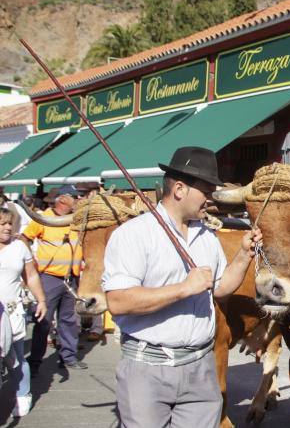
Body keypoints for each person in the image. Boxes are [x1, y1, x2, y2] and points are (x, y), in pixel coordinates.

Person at [102, 147, 261, 428]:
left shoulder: (207, 237)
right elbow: (119, 301)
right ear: (179, 189)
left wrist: (243, 256)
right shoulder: (133, 235)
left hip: (200, 368)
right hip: (148, 370)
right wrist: (183, 289)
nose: (211, 198)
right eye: (206, 190)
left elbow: (221, 288)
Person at [21, 184, 84, 374]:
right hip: (49, 278)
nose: (78, 201)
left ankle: (69, 357)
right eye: (75, 197)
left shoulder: (77, 220)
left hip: (71, 278)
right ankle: (35, 362)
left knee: (70, 320)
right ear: (64, 199)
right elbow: (25, 238)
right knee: (44, 321)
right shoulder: (44, 218)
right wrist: (28, 263)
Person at [0, 208, 47, 417]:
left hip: (11, 313)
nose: (8, 228)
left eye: (10, 223)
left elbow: (32, 276)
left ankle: (22, 395)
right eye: (3, 224)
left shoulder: (20, 247)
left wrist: (41, 300)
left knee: (15, 358)